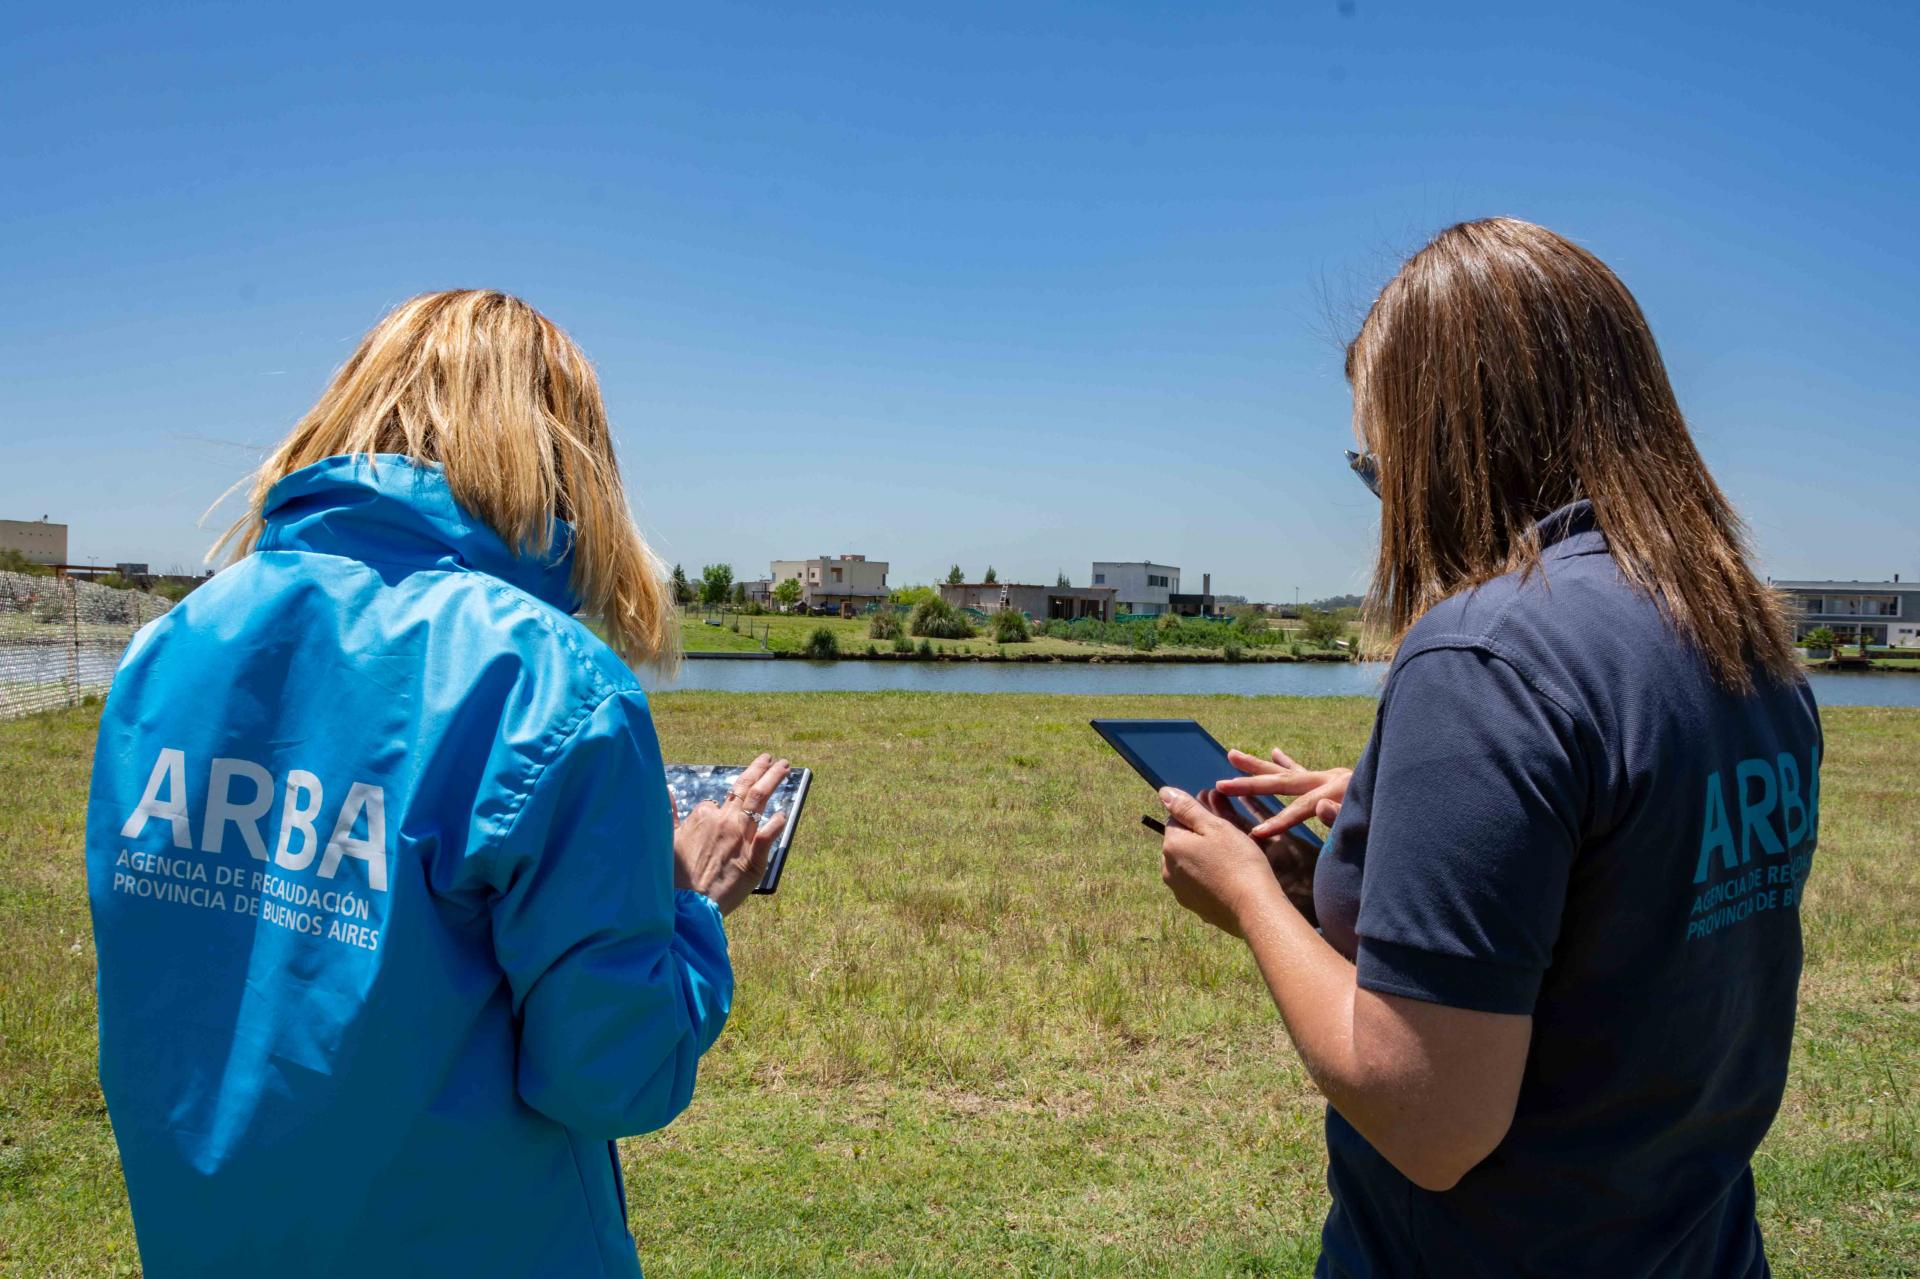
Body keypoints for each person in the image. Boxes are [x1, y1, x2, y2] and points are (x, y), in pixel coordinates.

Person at [1155, 219, 1820, 1278]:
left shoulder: (1483, 655)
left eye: (1377, 463)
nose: (1383, 500)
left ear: (1452, 442)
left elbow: (1430, 1120)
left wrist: (1251, 897)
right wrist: (1393, 803)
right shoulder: (1739, 635)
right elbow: (1624, 869)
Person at [84, 290, 789, 1278]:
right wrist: (685, 900)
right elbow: (613, 1076)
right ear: (559, 451)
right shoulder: (549, 680)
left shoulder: (171, 647)